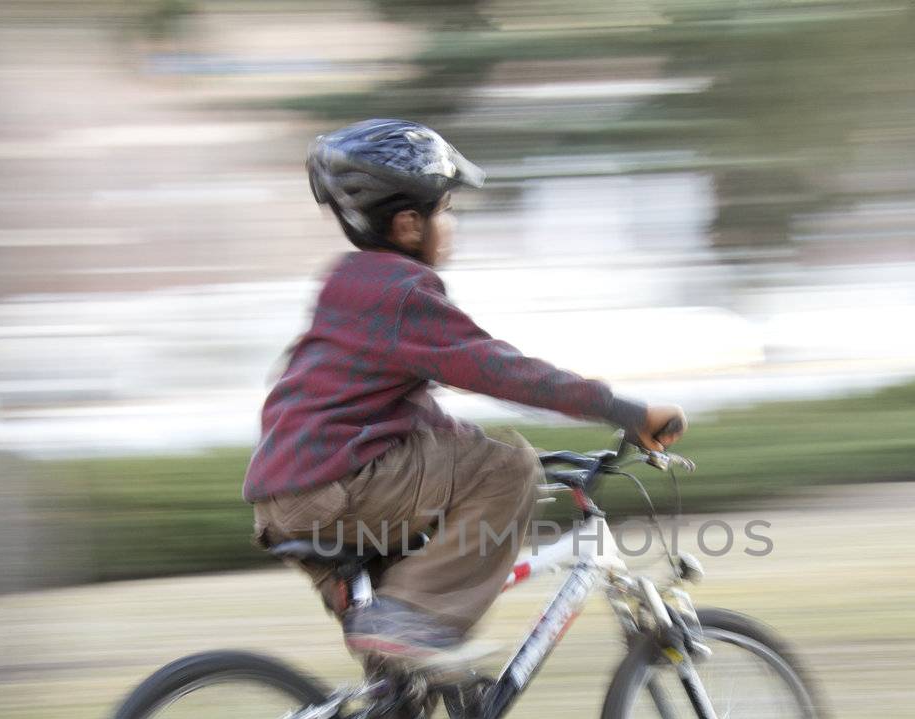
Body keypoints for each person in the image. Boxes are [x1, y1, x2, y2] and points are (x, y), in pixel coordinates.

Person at [245, 118, 686, 668]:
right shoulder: (405, 291)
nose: (451, 223)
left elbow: (410, 418)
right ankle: (403, 623)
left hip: (290, 499)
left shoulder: (350, 282)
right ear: (409, 224)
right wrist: (625, 410)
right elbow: (500, 371)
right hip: (339, 488)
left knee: (407, 672)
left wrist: (529, 461)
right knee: (505, 468)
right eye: (446, 209)